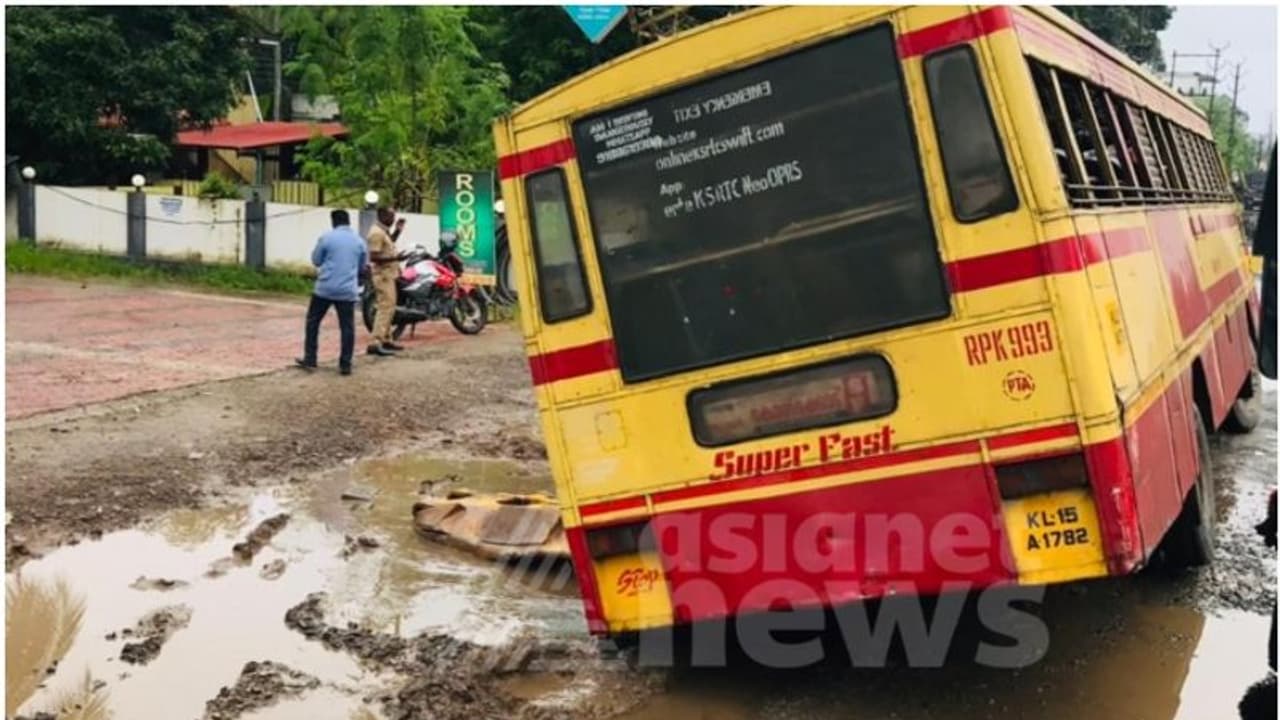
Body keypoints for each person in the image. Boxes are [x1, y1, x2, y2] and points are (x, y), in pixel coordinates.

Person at [297, 209, 367, 375]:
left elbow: (316, 260)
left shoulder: (327, 237)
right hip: (347, 290)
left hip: (325, 288)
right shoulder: (359, 242)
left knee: (313, 322)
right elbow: (362, 267)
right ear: (348, 221)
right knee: (347, 327)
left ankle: (310, 358)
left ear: (333, 221)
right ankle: (345, 364)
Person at [366, 207, 405, 356]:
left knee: (389, 307)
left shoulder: (383, 231)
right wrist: (396, 259)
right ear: (382, 216)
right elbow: (374, 257)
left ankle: (387, 339)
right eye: (391, 216)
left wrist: (398, 230)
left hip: (389, 274)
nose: (393, 219)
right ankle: (376, 342)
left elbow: (388, 245)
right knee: (385, 307)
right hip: (383, 275)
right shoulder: (376, 233)